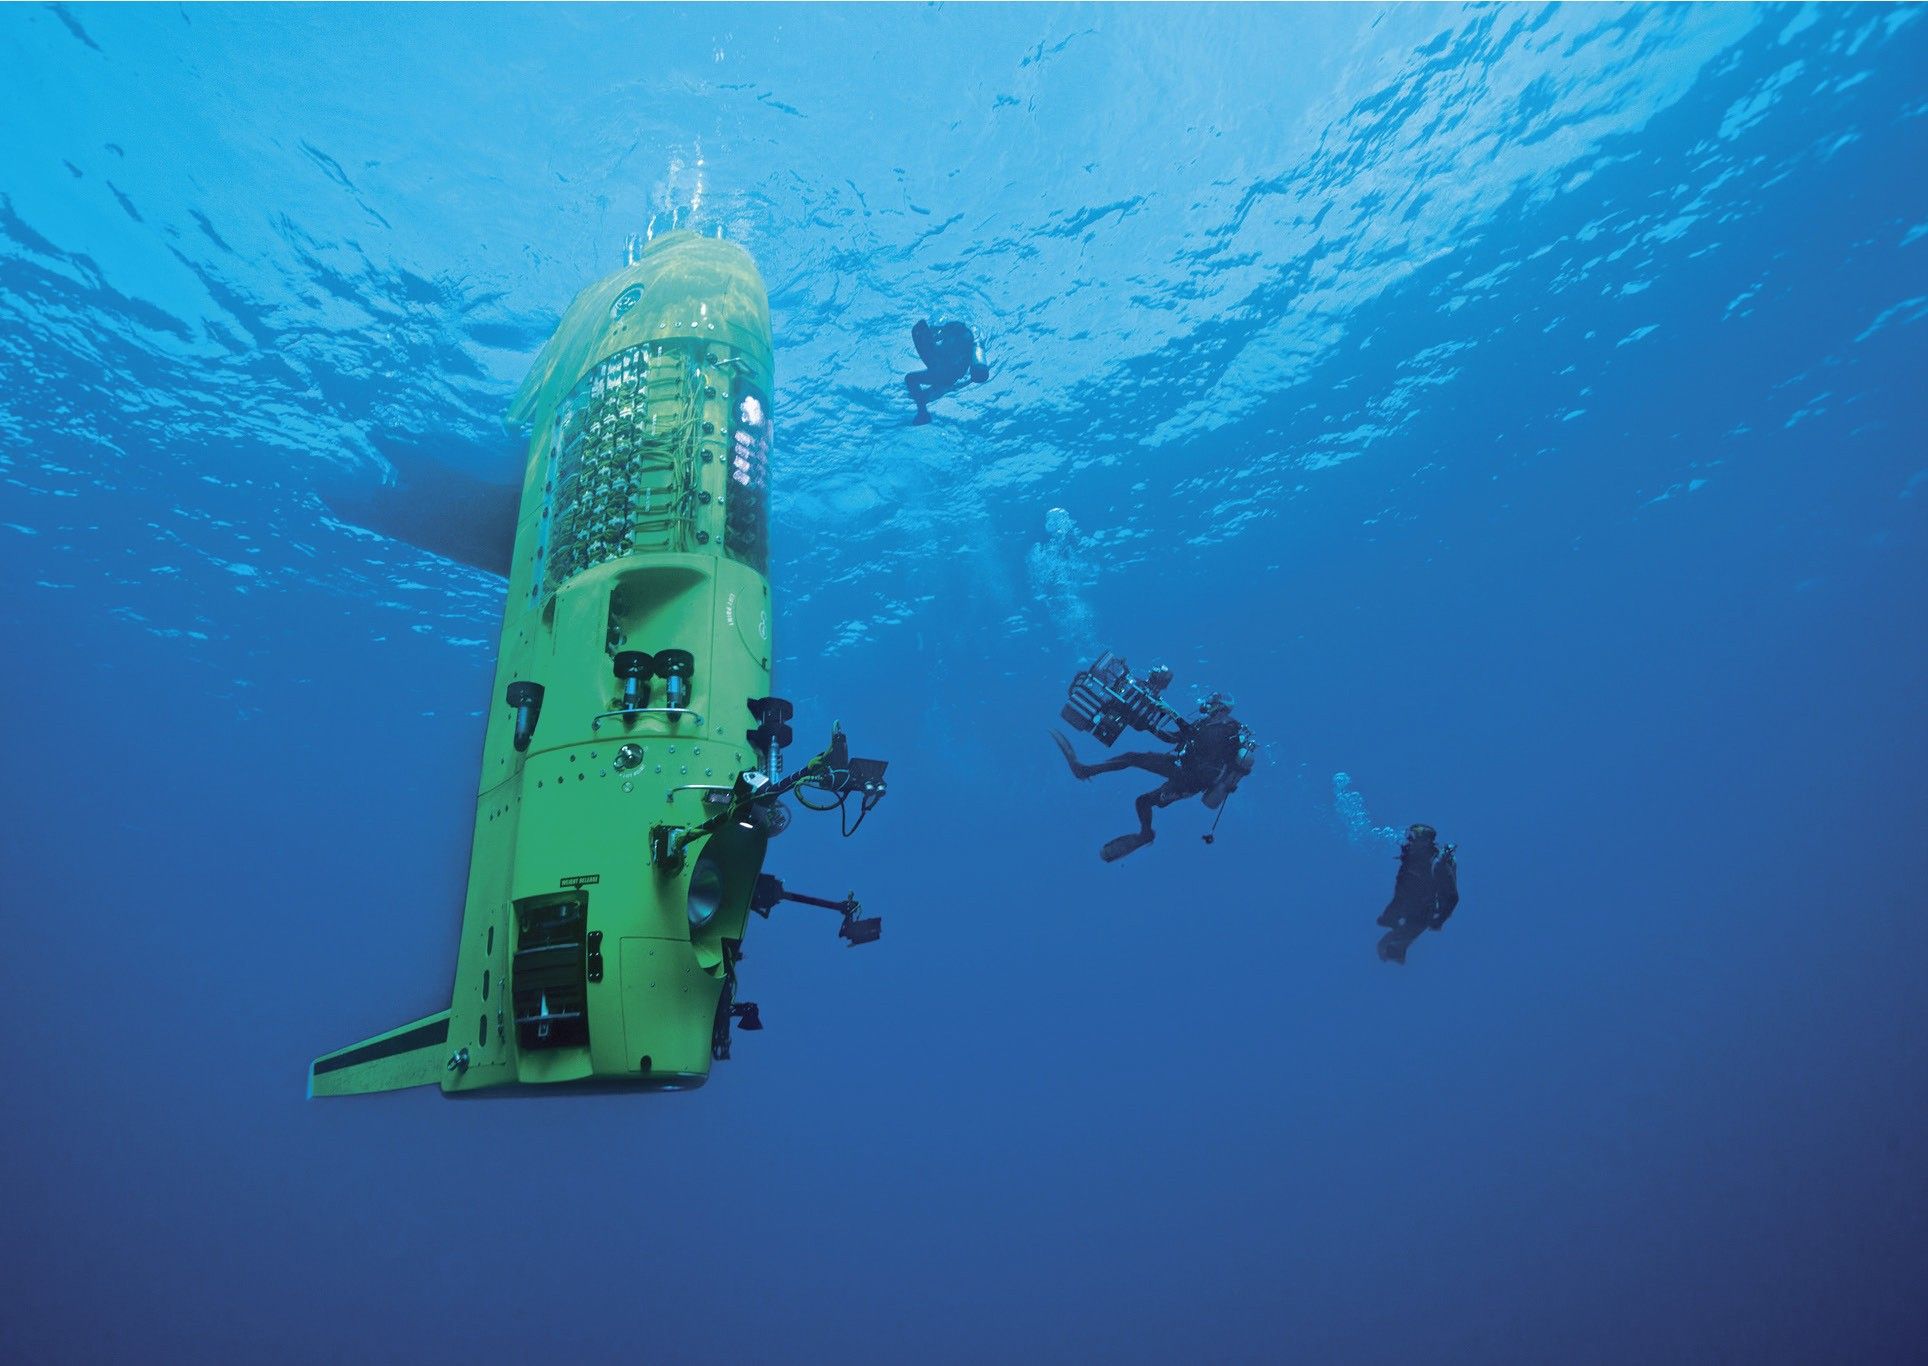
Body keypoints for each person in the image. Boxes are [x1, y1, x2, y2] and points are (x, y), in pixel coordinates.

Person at [1051, 691, 1255, 862]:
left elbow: (1199, 741)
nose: (1207, 704)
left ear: (1221, 708)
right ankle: (1145, 834)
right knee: (1142, 801)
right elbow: (1175, 738)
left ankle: (1084, 771)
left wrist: (1174, 715)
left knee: (1132, 759)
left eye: (1212, 702)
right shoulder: (1204, 724)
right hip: (1182, 768)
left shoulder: (1229, 729)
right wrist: (1149, 727)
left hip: (1192, 778)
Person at [1375, 825, 1459, 964]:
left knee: (1386, 946)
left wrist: (1439, 920)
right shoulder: (1410, 860)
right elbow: (1401, 890)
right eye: (1409, 835)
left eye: (1413, 837)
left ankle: (1397, 955)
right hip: (1410, 906)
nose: (1408, 840)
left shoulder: (1437, 865)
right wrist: (1390, 914)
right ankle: (1397, 954)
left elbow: (1453, 897)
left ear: (1425, 842)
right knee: (1385, 946)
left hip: (1424, 914)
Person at [905, 318, 989, 424]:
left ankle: (923, 413)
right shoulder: (967, 338)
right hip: (950, 376)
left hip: (941, 369)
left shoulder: (955, 333)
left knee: (911, 380)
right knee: (921, 396)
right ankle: (923, 412)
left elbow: (941, 346)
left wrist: (930, 331)